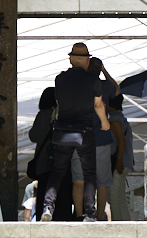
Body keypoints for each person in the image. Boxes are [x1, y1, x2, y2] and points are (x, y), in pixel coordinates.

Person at [42, 42, 109, 222]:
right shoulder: (93, 80)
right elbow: (98, 105)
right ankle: (90, 213)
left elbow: (59, 103)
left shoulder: (60, 79)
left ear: (71, 60)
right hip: (84, 130)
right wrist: (104, 122)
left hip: (63, 131)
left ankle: (48, 207)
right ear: (87, 61)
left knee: (58, 172)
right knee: (89, 173)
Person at [71, 57, 119, 220]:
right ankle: (99, 217)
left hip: (79, 138)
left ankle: (79, 215)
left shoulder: (77, 84)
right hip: (101, 139)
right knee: (102, 182)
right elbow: (117, 90)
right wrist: (104, 71)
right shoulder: (105, 86)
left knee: (79, 180)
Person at [27, 86, 72, 221]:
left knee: (43, 189)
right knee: (63, 191)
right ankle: (63, 218)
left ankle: (43, 216)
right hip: (63, 159)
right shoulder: (65, 114)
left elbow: (33, 136)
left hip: (44, 162)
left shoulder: (42, 115)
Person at [107, 92, 134, 220]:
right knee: (121, 197)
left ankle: (117, 225)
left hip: (120, 162)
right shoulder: (122, 118)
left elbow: (121, 139)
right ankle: (127, 224)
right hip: (127, 161)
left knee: (113, 197)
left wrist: (118, 159)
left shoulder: (114, 119)